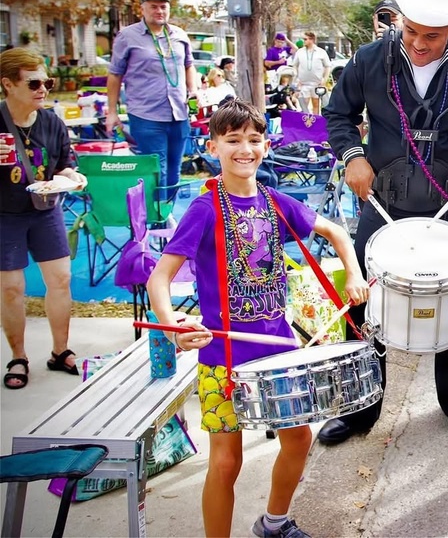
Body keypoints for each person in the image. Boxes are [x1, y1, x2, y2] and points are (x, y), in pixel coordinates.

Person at [146, 98, 370, 538]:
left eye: (253, 139)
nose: (244, 149)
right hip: (223, 358)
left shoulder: (277, 202)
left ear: (265, 145)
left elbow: (338, 232)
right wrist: (174, 324)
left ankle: (274, 521)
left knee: (299, 441)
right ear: (213, 147)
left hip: (280, 353)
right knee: (226, 462)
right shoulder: (204, 209)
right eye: (232, 140)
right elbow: (160, 278)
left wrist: (354, 274)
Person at [320, 0, 448, 446]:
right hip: (381, 202)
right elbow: (337, 115)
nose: (419, 45)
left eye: (432, 37)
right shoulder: (370, 59)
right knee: (363, 305)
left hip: (446, 202)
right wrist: (351, 157)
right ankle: (360, 407)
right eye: (411, 32)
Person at [1, 47, 88, 389]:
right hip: (5, 213)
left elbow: (66, 163)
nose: (43, 89)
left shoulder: (51, 121)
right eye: (34, 82)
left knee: (61, 280)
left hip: (45, 208)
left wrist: (73, 177)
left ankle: (59, 350)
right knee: (10, 289)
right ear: (8, 85)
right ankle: (18, 356)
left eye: (47, 82)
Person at [105, 0, 198, 202]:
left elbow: (189, 65)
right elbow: (115, 74)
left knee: (175, 169)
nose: (159, 11)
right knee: (157, 170)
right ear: (143, 9)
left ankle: (169, 215)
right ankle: (156, 223)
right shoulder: (128, 36)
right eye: (154, 6)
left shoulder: (179, 35)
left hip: (179, 113)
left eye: (163, 6)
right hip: (147, 114)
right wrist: (112, 112)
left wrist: (193, 91)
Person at [291, 31, 331, 114]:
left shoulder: (321, 52)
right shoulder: (300, 52)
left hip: (316, 83)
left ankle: (315, 123)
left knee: (316, 104)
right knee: (304, 104)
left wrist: (324, 79)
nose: (304, 41)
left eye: (305, 39)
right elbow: (294, 65)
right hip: (304, 83)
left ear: (312, 40)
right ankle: (306, 123)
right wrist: (296, 77)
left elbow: (327, 66)